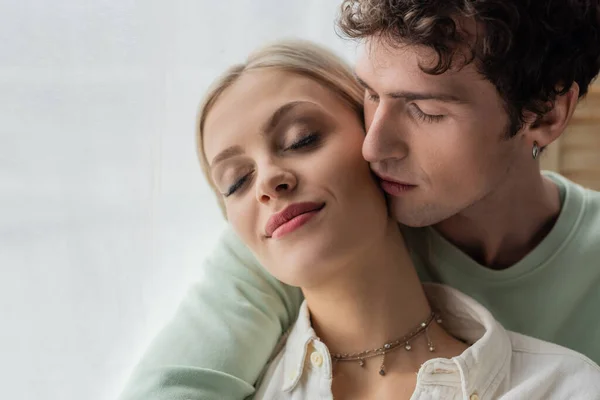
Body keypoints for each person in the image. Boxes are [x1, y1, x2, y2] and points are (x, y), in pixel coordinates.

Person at [118, 1, 600, 399]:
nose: (373, 145)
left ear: (544, 113)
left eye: (425, 110)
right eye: (369, 95)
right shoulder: (317, 232)